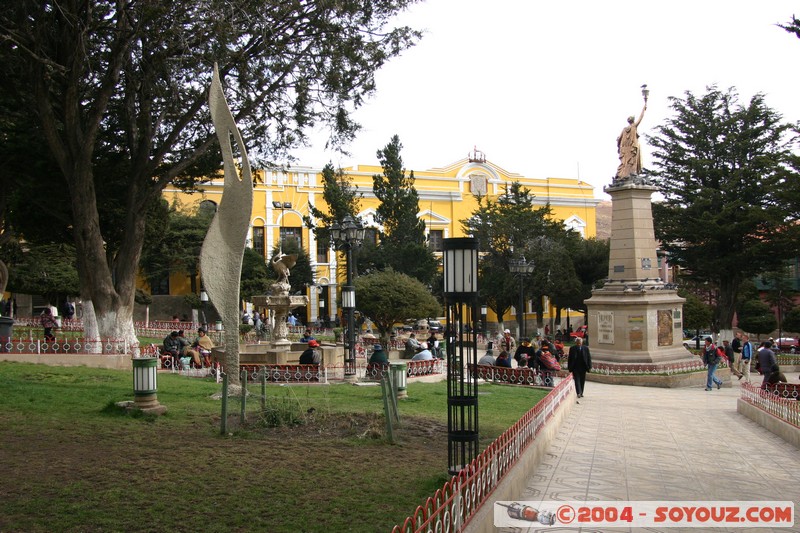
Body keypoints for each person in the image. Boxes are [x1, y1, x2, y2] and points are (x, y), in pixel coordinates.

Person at [616, 98, 647, 179]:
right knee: (632, 161)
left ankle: (626, 174)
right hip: (631, 147)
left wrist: (619, 144)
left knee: (626, 162)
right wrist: (644, 107)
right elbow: (641, 117)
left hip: (625, 149)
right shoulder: (634, 126)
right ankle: (631, 173)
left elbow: (618, 139)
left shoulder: (624, 129)